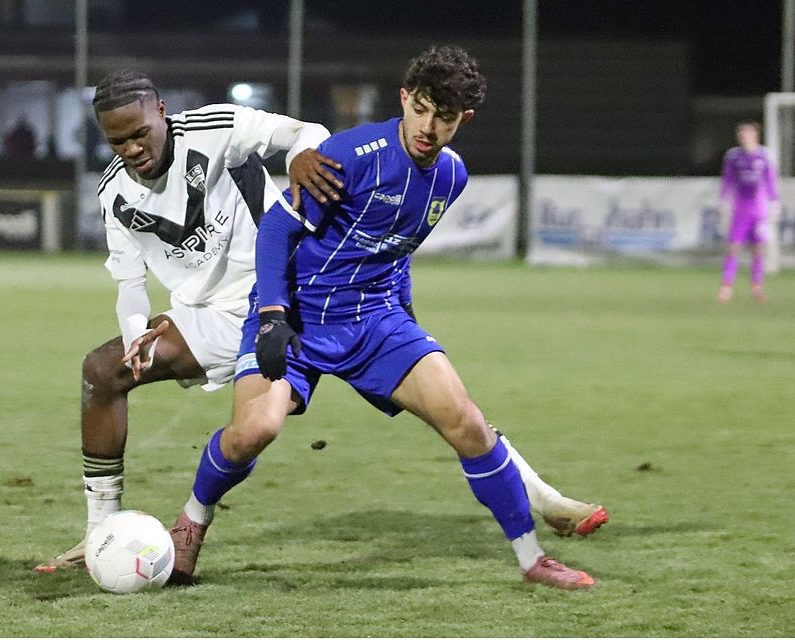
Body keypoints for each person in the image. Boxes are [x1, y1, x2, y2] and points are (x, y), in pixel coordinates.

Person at [39, 67, 606, 574]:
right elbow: (129, 285)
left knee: (452, 410)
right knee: (105, 371)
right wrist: (139, 333)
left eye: (140, 132)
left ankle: (540, 500)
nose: (133, 147)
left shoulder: (216, 127)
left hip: (287, 287)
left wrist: (305, 155)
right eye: (118, 140)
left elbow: (303, 136)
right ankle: (100, 535)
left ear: (162, 112)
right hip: (212, 316)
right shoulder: (113, 193)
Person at [717, 121, 780, 303]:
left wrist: (774, 202)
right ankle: (726, 287)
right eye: (742, 133)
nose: (744, 136)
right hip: (740, 208)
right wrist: (723, 201)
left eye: (748, 133)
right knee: (733, 247)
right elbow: (727, 180)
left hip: (759, 209)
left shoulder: (764, 155)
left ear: (756, 135)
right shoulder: (733, 156)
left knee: (758, 249)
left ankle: (757, 287)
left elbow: (769, 181)